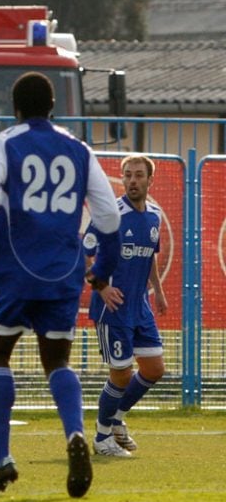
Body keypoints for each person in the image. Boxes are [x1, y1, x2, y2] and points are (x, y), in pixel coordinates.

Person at [0, 72, 121, 498]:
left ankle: (2, 458)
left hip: (14, 269)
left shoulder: (2, 143)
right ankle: (74, 433)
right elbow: (108, 217)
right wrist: (102, 267)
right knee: (58, 362)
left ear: (14, 108)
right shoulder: (79, 149)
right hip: (63, 272)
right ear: (53, 107)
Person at [83, 154, 167, 457]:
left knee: (154, 368)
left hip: (140, 306)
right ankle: (102, 437)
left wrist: (157, 291)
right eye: (128, 175)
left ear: (149, 180)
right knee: (121, 374)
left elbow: (150, 254)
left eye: (138, 175)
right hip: (114, 308)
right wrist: (102, 286)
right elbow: (86, 252)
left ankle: (117, 418)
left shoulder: (154, 216)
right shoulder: (111, 216)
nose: (132, 180)